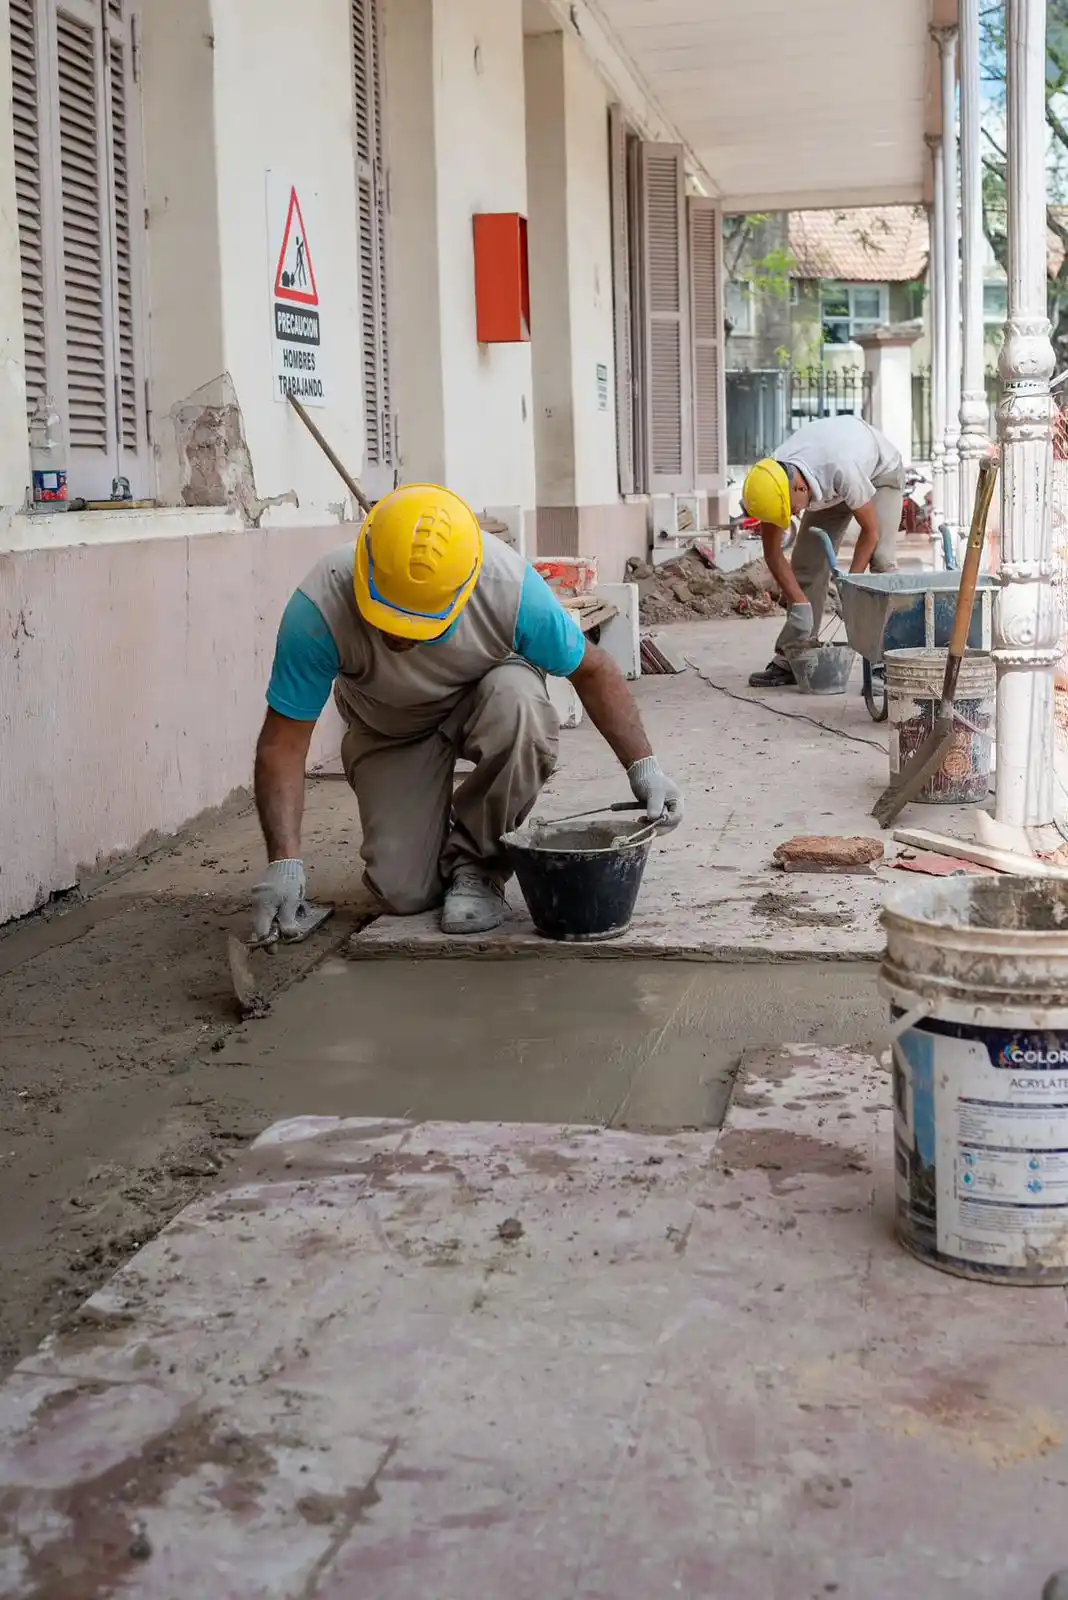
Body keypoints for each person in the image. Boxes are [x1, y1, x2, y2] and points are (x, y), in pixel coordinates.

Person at [249, 483, 683, 939]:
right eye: (388, 618)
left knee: (521, 706)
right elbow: (284, 742)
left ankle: (478, 864)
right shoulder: (320, 606)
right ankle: (436, 836)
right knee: (403, 893)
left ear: (462, 591)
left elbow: (593, 671)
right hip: (389, 727)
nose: (402, 635)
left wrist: (644, 769)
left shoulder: (509, 588)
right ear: (366, 575)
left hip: (488, 701)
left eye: (420, 623)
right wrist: (284, 864)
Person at [741, 414, 905, 688]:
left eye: (792, 509)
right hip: (831, 483)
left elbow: (871, 532)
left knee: (881, 563)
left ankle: (887, 661)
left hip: (880, 474)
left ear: (800, 487)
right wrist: (799, 603)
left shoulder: (840, 467)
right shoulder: (772, 481)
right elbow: (773, 554)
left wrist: (850, 588)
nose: (792, 515)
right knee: (807, 563)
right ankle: (795, 654)